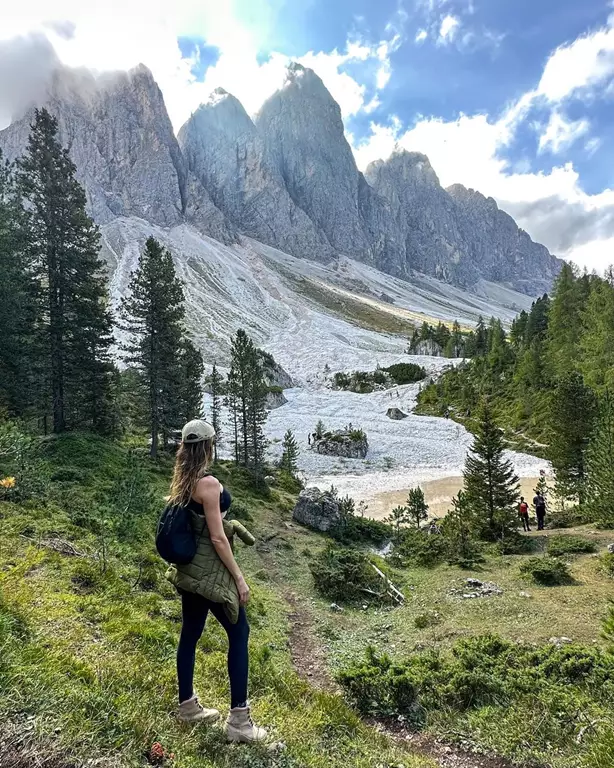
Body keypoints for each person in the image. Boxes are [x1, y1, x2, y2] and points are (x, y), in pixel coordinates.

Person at [165, 419, 267, 743]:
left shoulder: (183, 478)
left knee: (190, 633)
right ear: (209, 445)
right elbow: (218, 538)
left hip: (189, 572)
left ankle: (188, 706)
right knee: (240, 631)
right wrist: (239, 579)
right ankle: (239, 722)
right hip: (211, 573)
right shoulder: (208, 484)